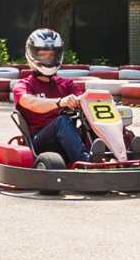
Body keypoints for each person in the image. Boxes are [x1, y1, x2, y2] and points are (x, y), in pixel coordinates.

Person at [12, 27, 85, 165]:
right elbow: (29, 102)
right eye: (43, 55)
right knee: (61, 121)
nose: (48, 59)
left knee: (91, 123)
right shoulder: (24, 85)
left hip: (68, 138)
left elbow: (83, 100)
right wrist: (60, 102)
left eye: (51, 55)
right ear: (32, 55)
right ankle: (84, 161)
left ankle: (119, 154)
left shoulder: (67, 84)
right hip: (39, 142)